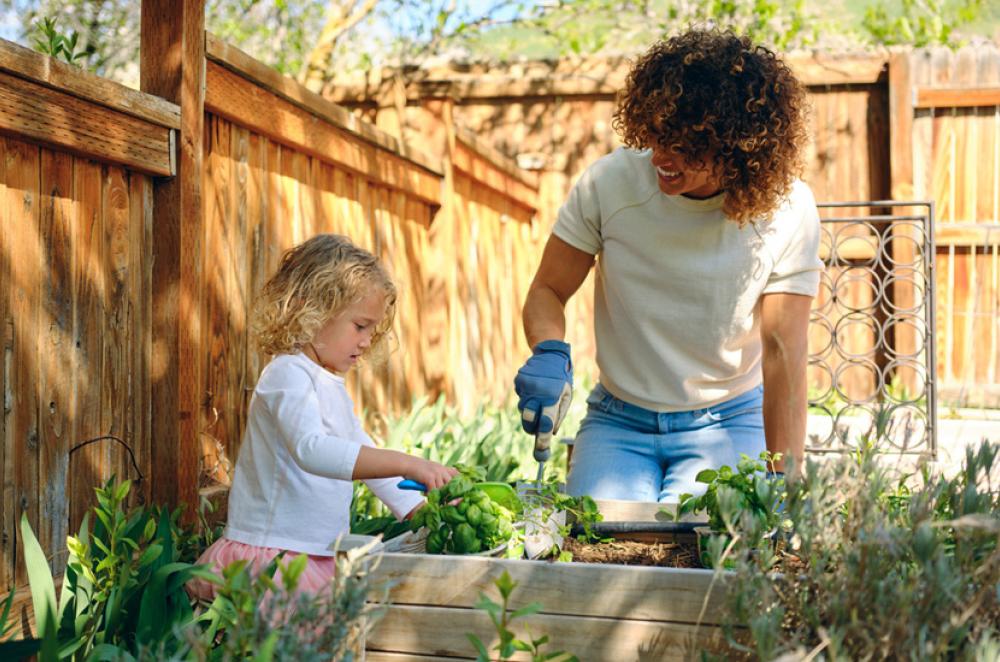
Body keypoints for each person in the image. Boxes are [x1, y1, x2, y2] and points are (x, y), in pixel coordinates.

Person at [514, 28, 823, 503]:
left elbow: (783, 350)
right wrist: (549, 351)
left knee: (712, 552)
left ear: (739, 147)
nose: (661, 156)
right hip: (619, 417)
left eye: (686, 146)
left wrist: (785, 475)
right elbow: (548, 290)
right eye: (658, 135)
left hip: (727, 419)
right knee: (596, 543)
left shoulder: (786, 210)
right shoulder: (610, 184)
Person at [190, 234, 456, 599]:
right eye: (359, 326)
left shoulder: (329, 383)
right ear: (310, 310)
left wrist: (421, 510)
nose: (366, 341)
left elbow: (356, 449)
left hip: (316, 556)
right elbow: (311, 449)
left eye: (372, 330)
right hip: (276, 558)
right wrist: (408, 463)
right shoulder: (287, 374)